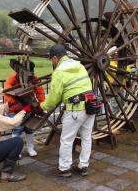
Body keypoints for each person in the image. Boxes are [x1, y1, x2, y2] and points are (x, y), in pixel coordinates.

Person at [40, 44, 94, 177]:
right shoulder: (80, 66)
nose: (52, 62)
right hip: (90, 106)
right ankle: (83, 166)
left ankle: (64, 168)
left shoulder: (59, 72)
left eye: (51, 60)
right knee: (86, 138)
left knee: (66, 140)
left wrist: (42, 106)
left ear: (55, 58)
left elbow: (53, 98)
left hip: (75, 109)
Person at [4, 60, 45, 157]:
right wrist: (14, 102)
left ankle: (30, 148)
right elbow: (6, 92)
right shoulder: (12, 79)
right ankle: (15, 150)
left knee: (29, 128)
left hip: (28, 107)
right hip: (15, 109)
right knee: (17, 129)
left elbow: (40, 92)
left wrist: (41, 105)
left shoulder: (34, 79)